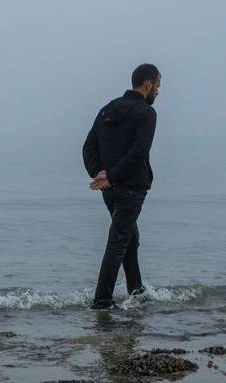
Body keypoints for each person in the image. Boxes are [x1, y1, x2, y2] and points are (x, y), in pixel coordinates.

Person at [82, 63, 162, 310]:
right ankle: (102, 301)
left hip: (111, 189)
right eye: (158, 86)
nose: (158, 91)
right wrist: (110, 176)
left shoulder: (108, 108)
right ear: (147, 83)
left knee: (129, 239)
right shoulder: (146, 113)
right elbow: (138, 153)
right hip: (130, 187)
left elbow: (88, 148)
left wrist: (101, 174)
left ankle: (137, 292)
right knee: (118, 242)